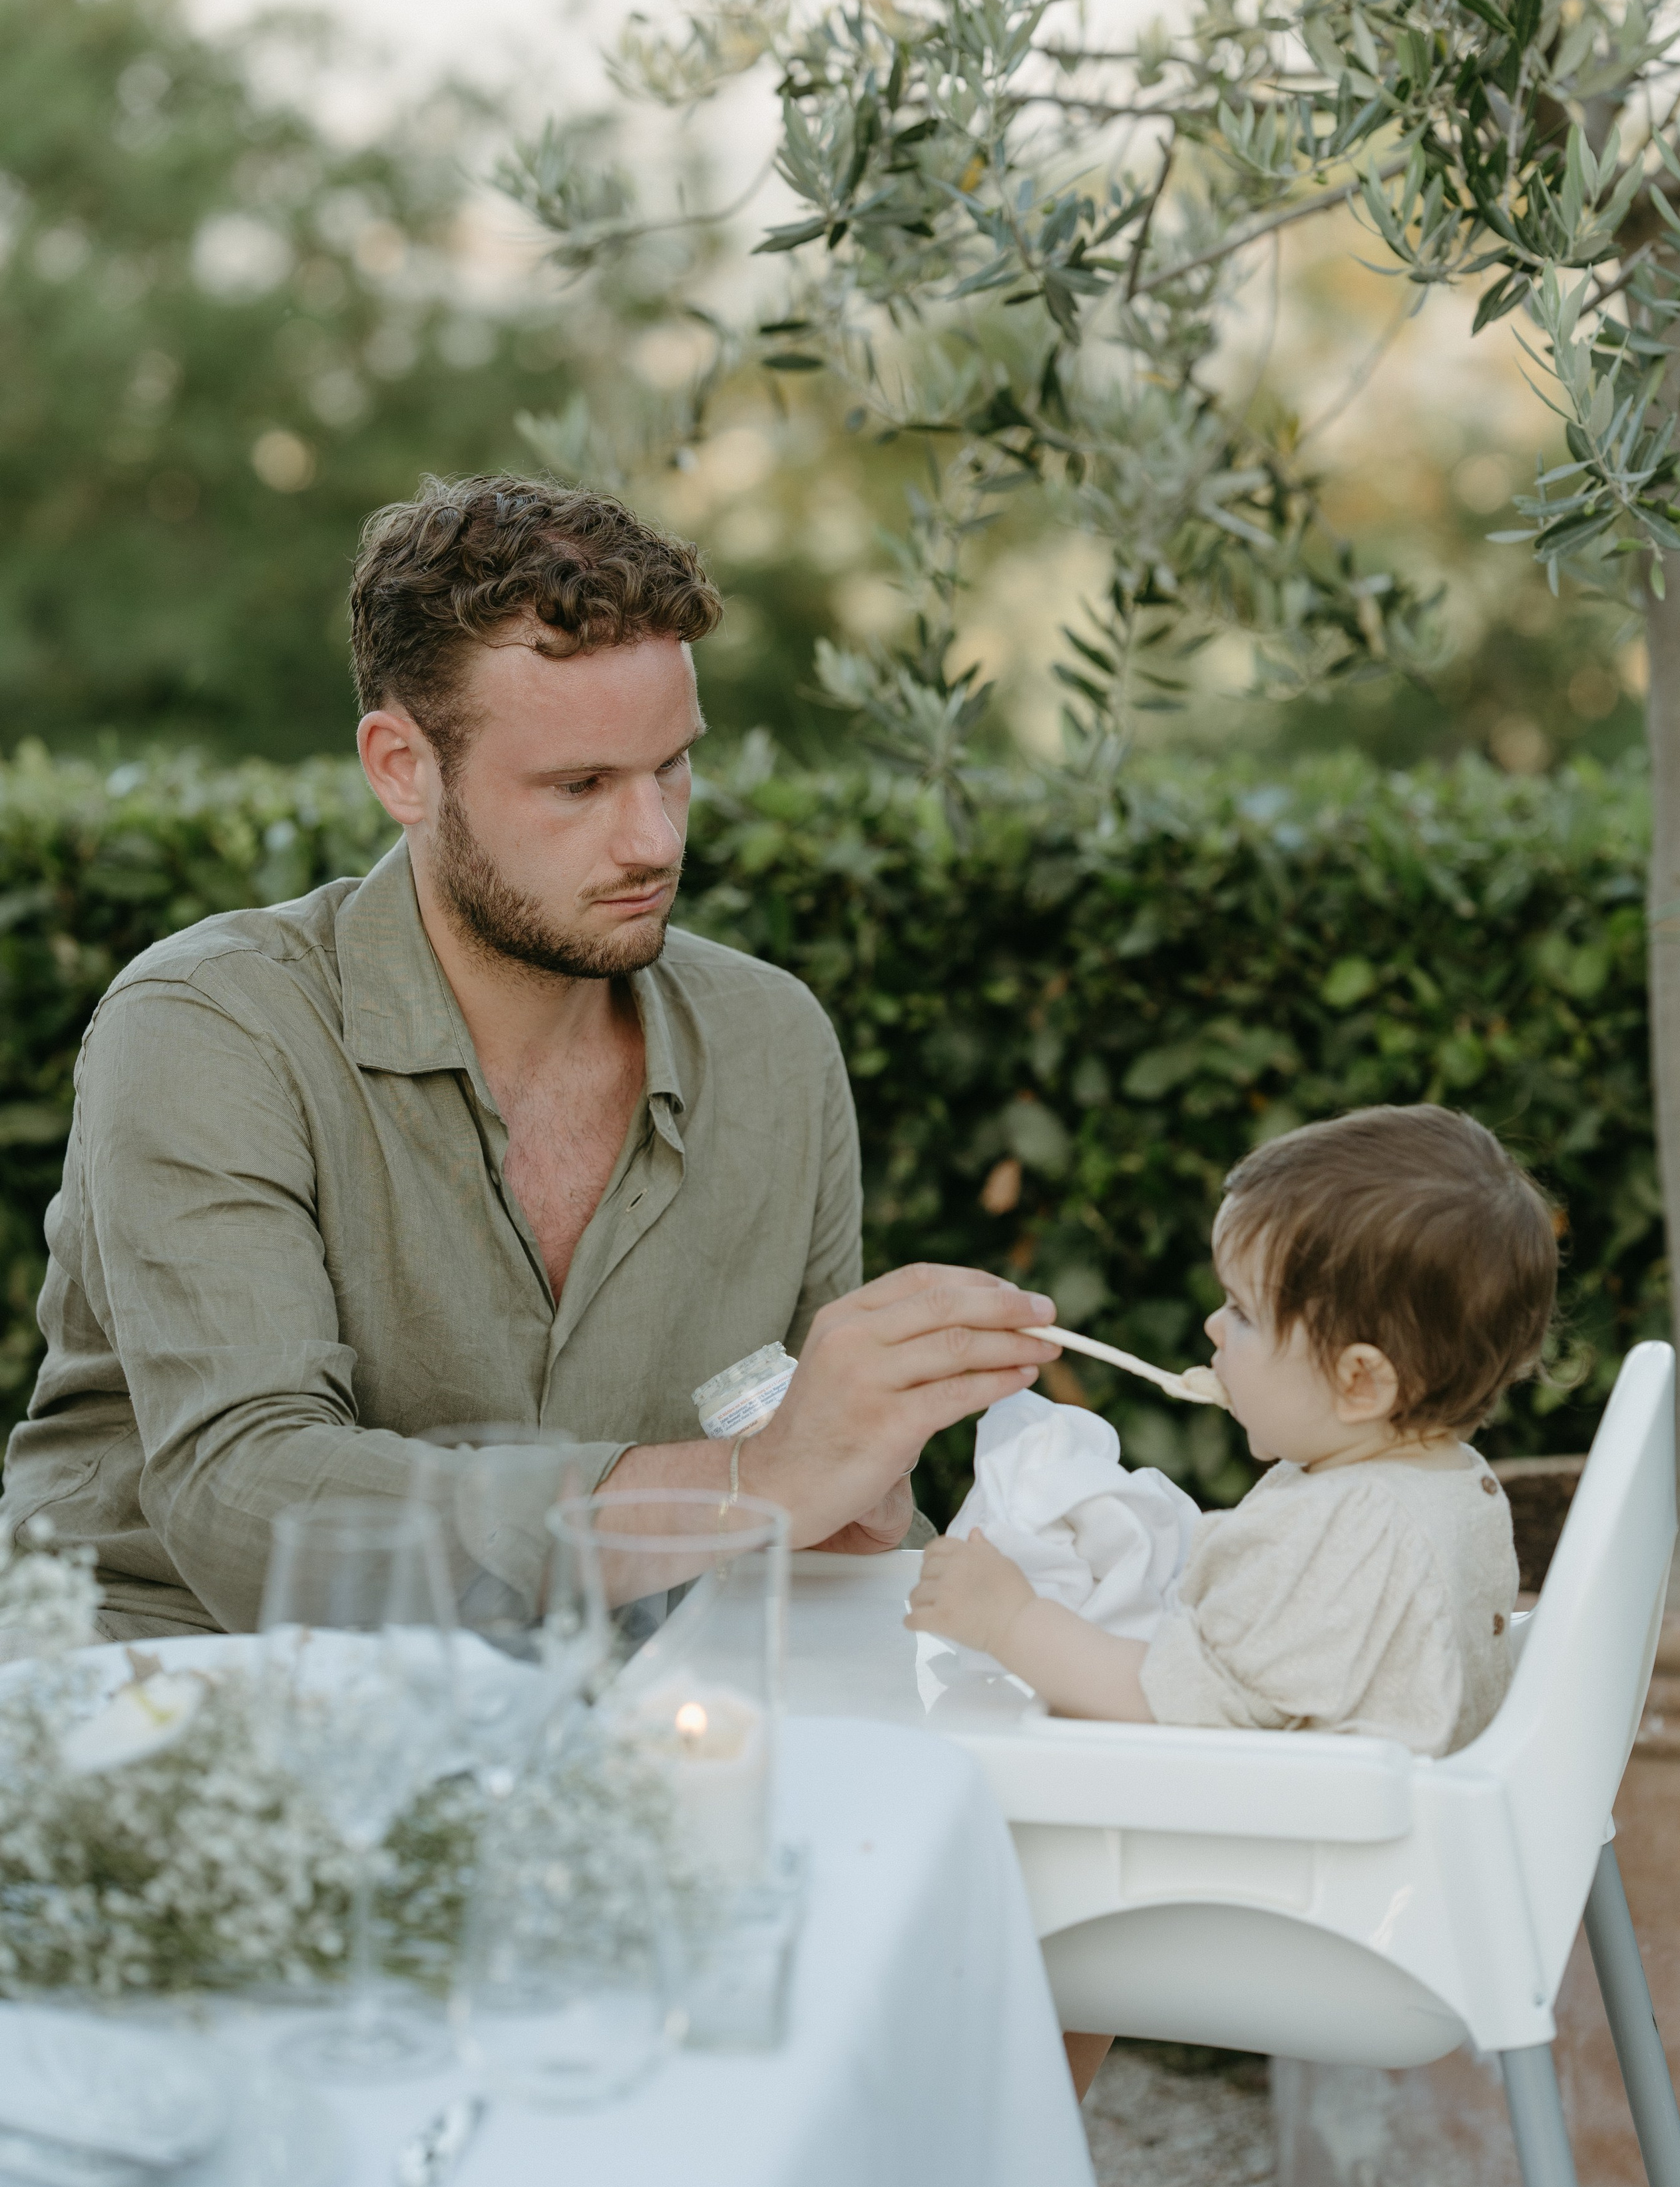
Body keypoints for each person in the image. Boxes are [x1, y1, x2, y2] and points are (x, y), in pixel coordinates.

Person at [0, 474, 1059, 1636]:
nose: (654, 839)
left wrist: (852, 1489)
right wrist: (742, 1489)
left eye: (672, 766)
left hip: (609, 1716)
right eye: (581, 786)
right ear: (402, 767)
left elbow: (793, 1492)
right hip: (189, 1713)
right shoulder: (210, 1026)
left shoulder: (772, 1042)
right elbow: (253, 1504)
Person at [905, 1104, 1556, 2101]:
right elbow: (1282, 1622)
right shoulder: (1431, 1479)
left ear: (1361, 1380)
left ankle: (991, 2157)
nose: (1213, 1328)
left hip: (1318, 1909)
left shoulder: (1352, 1524)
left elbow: (1174, 1703)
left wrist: (1011, 1621)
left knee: (989, 1871)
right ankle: (1028, 2162)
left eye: (1244, 1314)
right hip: (1373, 1865)